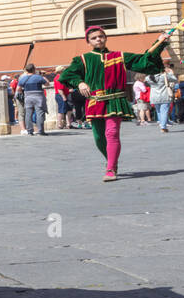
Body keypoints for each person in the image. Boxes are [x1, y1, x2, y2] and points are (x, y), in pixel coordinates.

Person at [59, 26, 168, 181]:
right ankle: (111, 160)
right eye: (94, 38)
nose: (98, 39)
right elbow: (67, 75)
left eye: (101, 36)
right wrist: (80, 83)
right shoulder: (82, 59)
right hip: (95, 102)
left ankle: (111, 168)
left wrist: (160, 43)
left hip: (115, 100)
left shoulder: (120, 56)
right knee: (98, 137)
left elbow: (143, 61)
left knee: (112, 133)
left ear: (105, 38)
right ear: (88, 42)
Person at [17, 63, 48, 136]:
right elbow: (47, 84)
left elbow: (18, 89)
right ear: (34, 69)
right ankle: (40, 131)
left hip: (28, 97)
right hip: (38, 96)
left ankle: (30, 131)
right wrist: (42, 76)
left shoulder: (22, 78)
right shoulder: (38, 77)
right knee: (39, 113)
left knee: (28, 114)